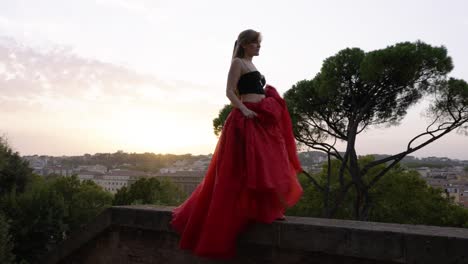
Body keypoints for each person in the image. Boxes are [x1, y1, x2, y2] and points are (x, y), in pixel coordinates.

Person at [170, 29, 303, 259]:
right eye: (255, 43)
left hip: (259, 118)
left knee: (266, 165)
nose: (258, 47)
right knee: (241, 169)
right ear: (244, 45)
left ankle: (265, 210)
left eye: (259, 43)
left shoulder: (253, 66)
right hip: (245, 120)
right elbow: (229, 92)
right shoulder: (238, 63)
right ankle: (241, 214)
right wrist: (243, 110)